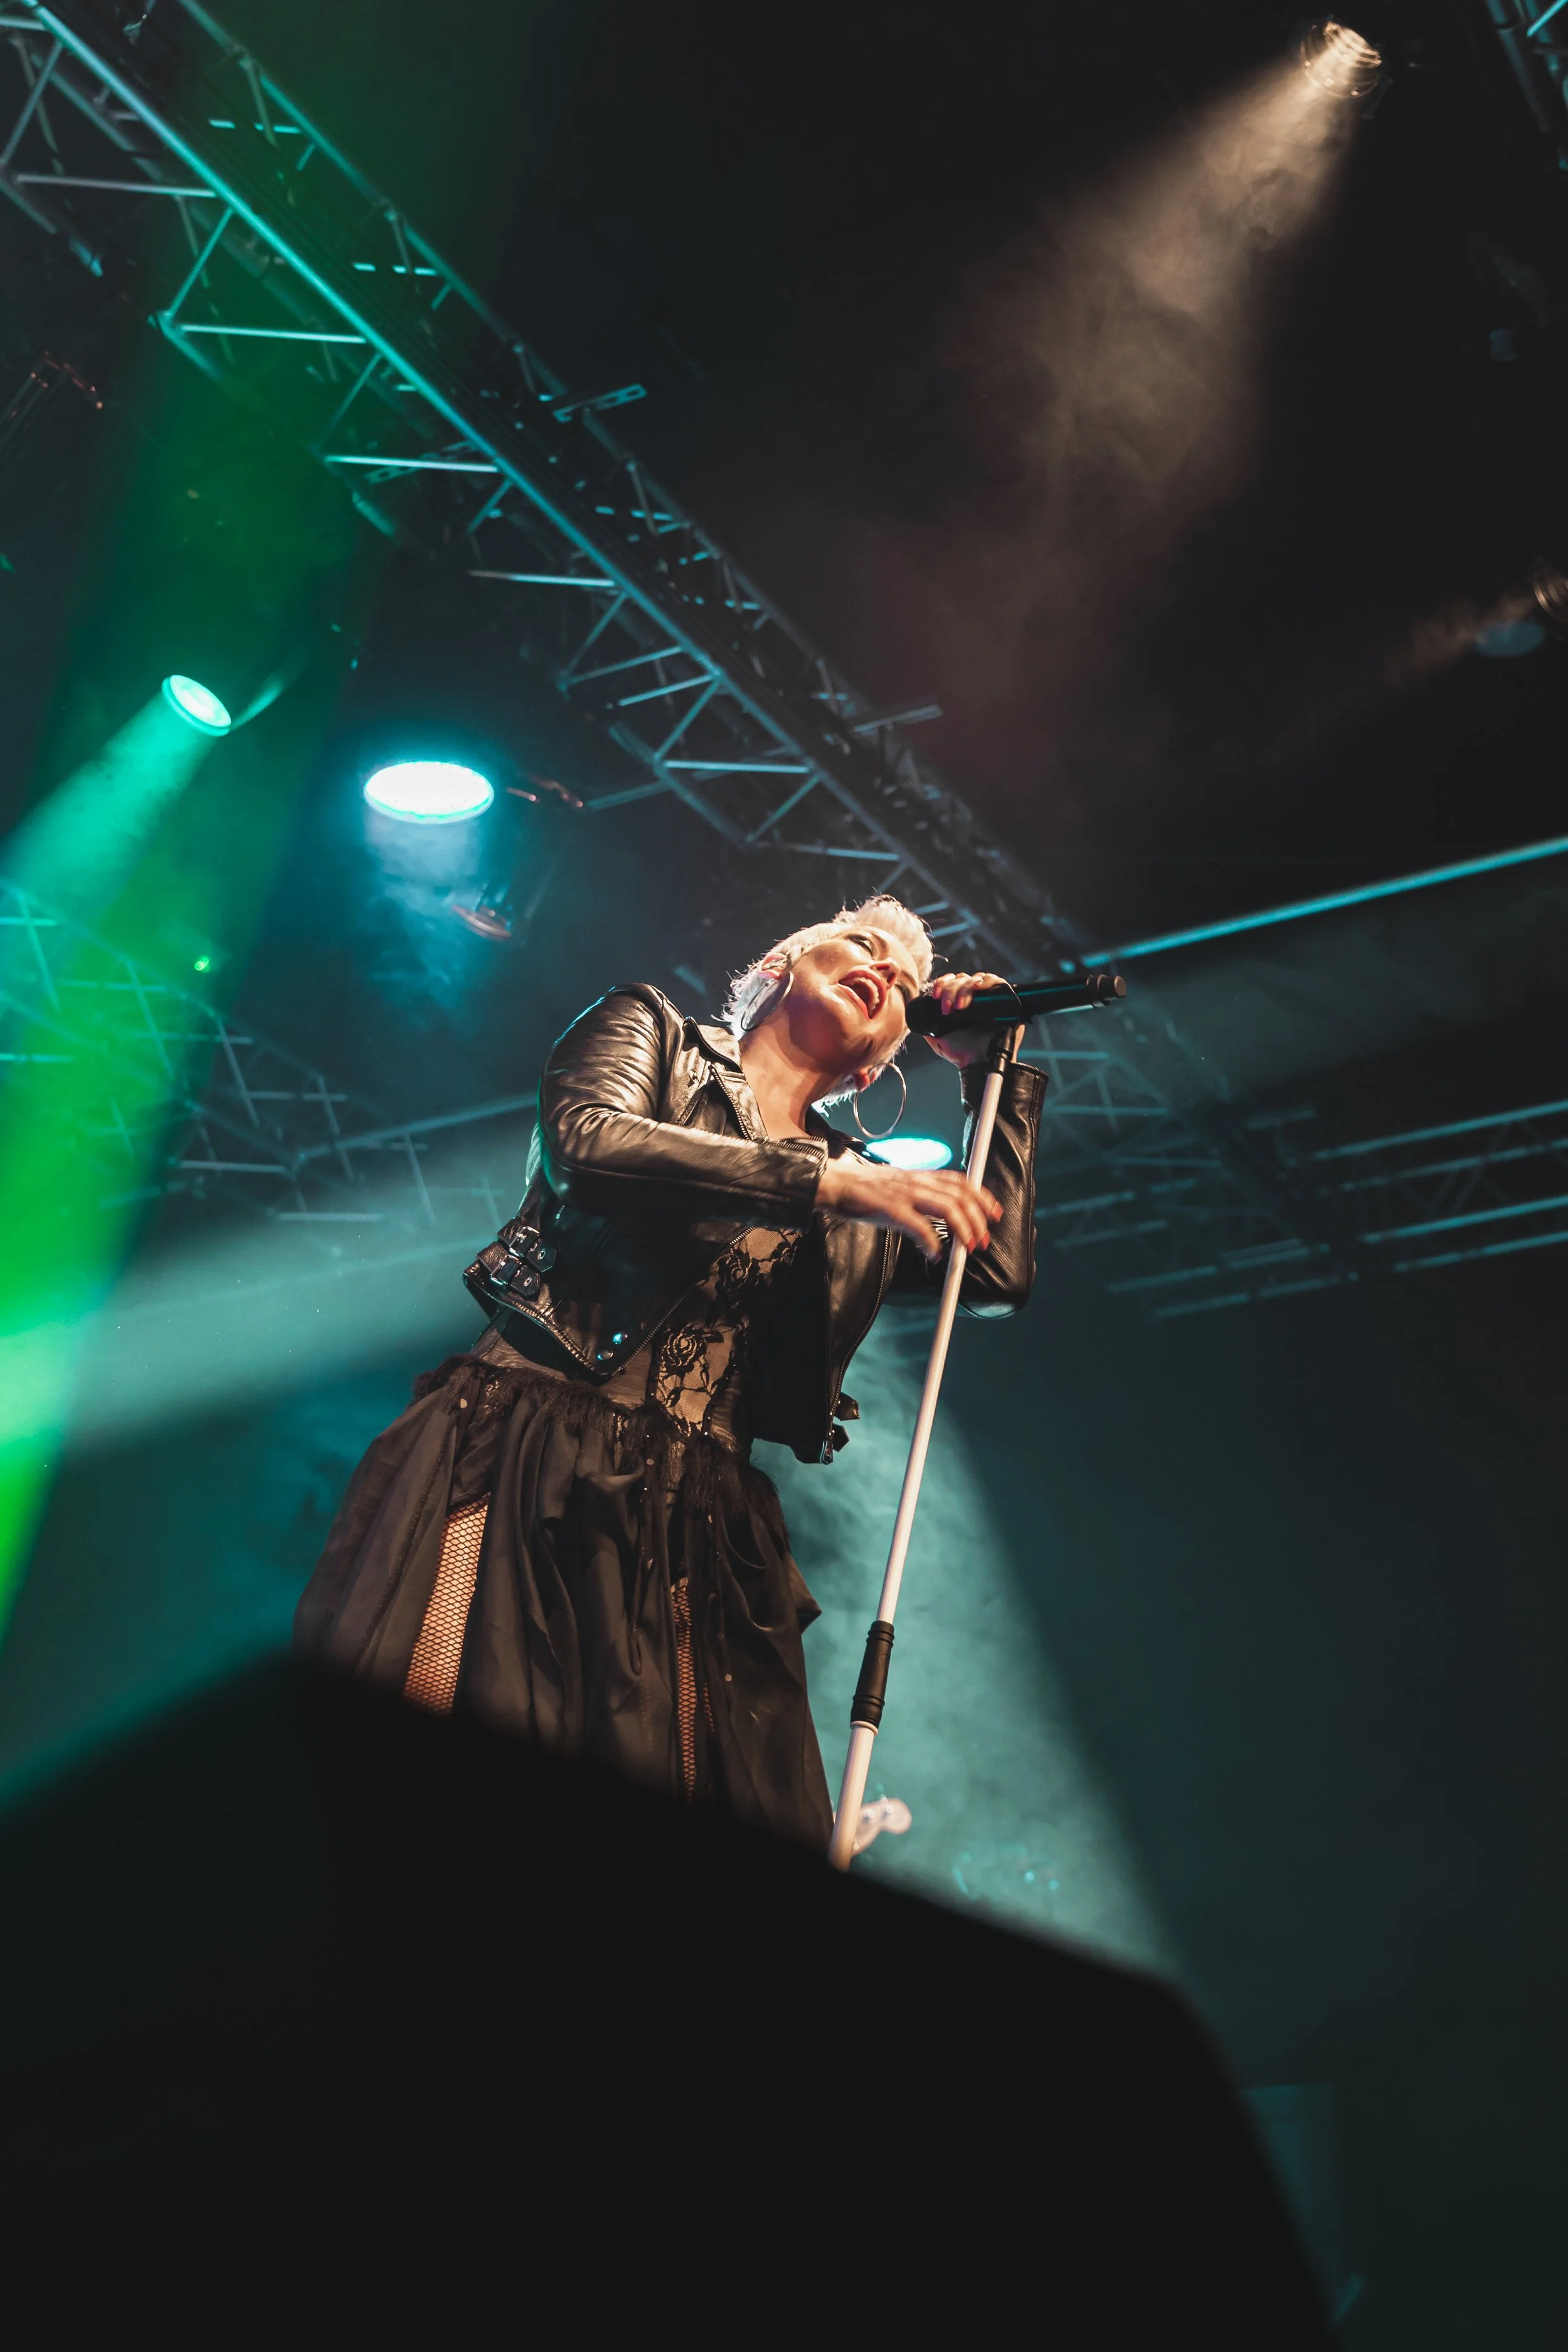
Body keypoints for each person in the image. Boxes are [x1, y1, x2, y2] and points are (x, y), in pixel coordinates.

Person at [295, 894, 1045, 1846]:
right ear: (779, 964)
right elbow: (587, 1145)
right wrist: (825, 1182)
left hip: (696, 1513)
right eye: (864, 945)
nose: (884, 971)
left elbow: (992, 1275)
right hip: (528, 1440)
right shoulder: (653, 1030)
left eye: (903, 985)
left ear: (878, 1062)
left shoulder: (865, 1191)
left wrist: (994, 1074)